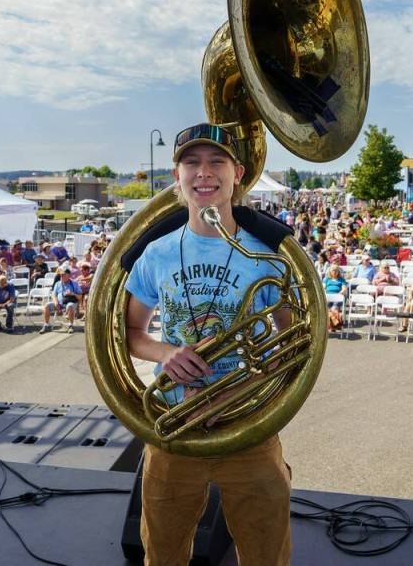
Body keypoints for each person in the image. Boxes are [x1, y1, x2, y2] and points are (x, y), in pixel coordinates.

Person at [123, 123, 293, 565]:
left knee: (266, 553)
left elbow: (295, 345)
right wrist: (166, 354)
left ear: (238, 172)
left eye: (216, 161)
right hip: (174, 426)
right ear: (176, 175)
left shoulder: (268, 254)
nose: (204, 172)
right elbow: (132, 335)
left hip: (248, 426)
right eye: (191, 162)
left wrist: (233, 394)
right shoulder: (156, 253)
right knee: (161, 553)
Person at [41, 266, 81, 333]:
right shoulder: (58, 283)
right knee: (46, 306)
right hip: (59, 303)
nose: (61, 276)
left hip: (70, 302)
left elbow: (80, 296)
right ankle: (46, 325)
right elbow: (53, 295)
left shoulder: (74, 284)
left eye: (64, 275)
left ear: (69, 275)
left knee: (70, 306)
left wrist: (73, 294)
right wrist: (56, 302)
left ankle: (71, 325)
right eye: (61, 275)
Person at [322, 264, 347, 332]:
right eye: (333, 270)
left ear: (338, 272)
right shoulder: (326, 279)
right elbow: (323, 288)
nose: (335, 272)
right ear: (330, 271)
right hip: (328, 297)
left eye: (336, 270)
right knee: (327, 310)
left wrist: (339, 294)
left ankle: (331, 326)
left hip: (337, 297)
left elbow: (344, 289)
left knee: (333, 309)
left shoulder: (341, 280)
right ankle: (334, 325)